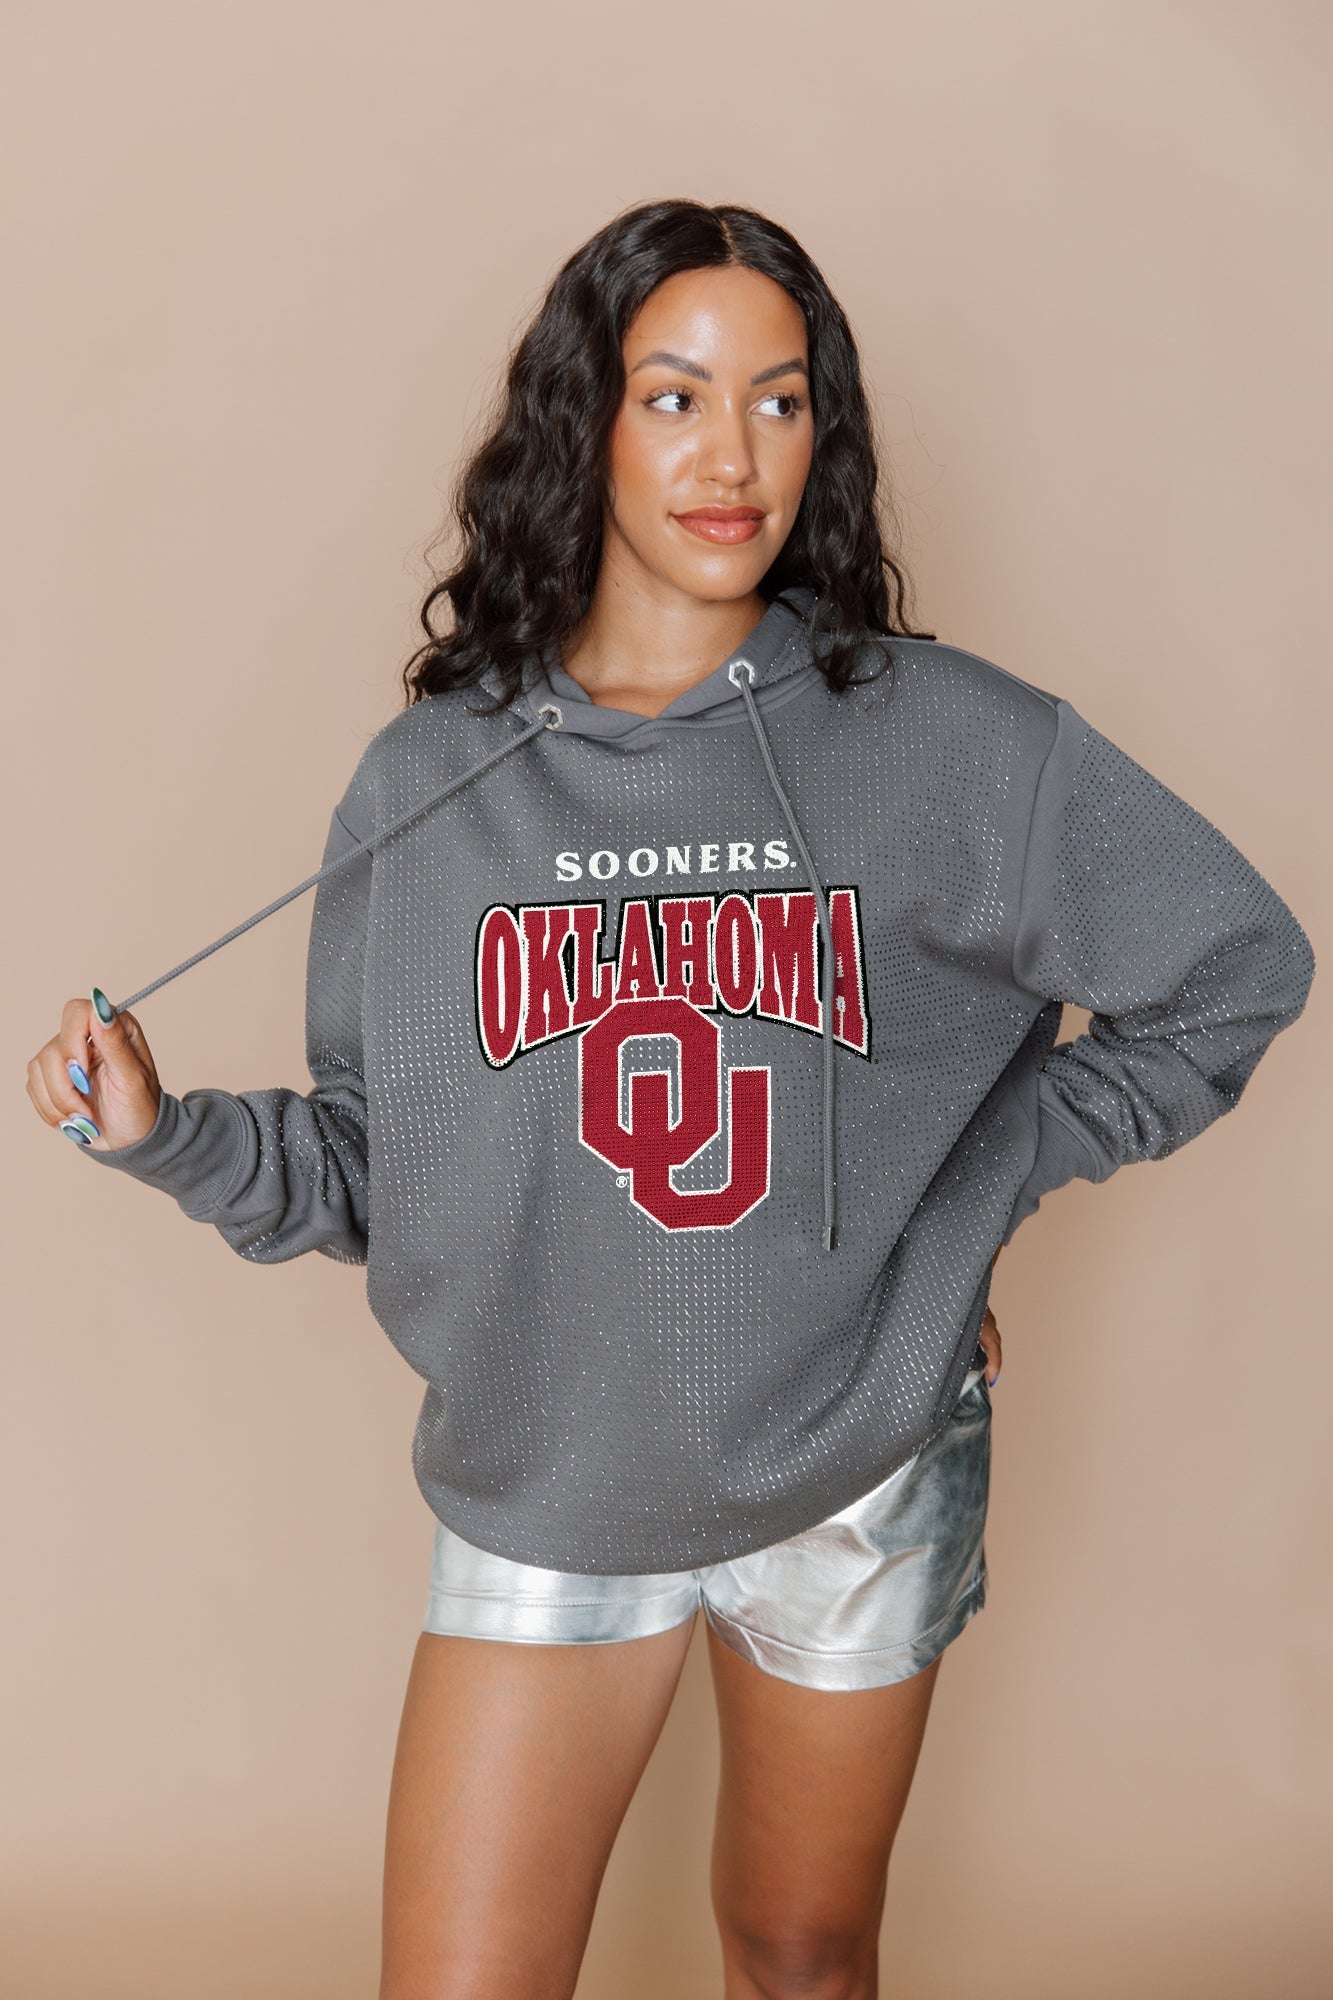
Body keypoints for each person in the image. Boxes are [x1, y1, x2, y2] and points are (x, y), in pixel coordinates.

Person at [26, 200, 1316, 2000]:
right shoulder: (434, 779)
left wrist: (971, 1188)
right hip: (553, 1467)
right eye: (676, 397)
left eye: (781, 402)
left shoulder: (946, 740)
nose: (735, 457)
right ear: (589, 425)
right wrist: (163, 1137)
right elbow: (378, 1164)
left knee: (800, 1955)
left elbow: (1234, 965)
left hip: (858, 1461)